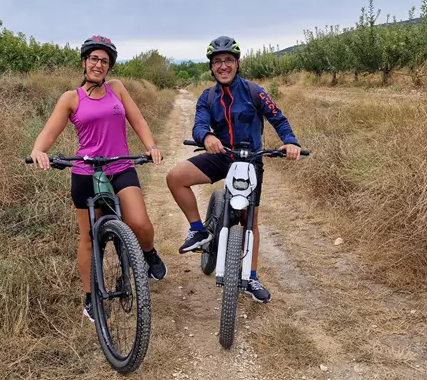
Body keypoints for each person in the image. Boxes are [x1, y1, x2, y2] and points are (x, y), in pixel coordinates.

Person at [30, 35, 167, 321]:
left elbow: (138, 120)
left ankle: (149, 252)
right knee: (89, 238)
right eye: (94, 58)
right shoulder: (71, 98)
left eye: (104, 61)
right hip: (86, 172)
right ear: (84, 62)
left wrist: (151, 146)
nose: (99, 64)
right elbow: (49, 132)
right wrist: (38, 151)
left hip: (120, 166)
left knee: (139, 223)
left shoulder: (116, 88)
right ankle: (91, 296)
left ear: (109, 66)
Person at [165, 35, 302, 304]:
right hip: (221, 156)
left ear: (237, 64)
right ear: (211, 67)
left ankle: (250, 277)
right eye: (217, 62)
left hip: (251, 160)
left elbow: (278, 118)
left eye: (228, 60)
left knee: (250, 220)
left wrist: (290, 142)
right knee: (175, 177)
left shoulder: (255, 91)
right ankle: (198, 230)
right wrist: (206, 137)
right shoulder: (208, 96)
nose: (223, 66)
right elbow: (199, 125)